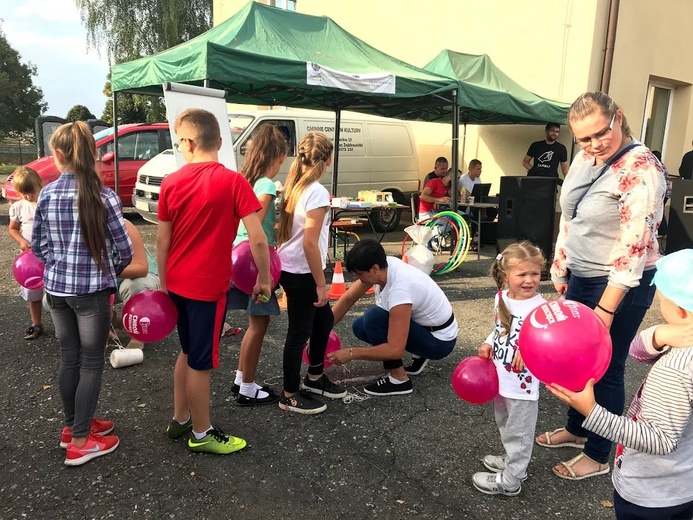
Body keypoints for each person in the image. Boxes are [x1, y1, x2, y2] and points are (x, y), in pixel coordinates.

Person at [537, 91, 667, 480]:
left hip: (619, 285)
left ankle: (598, 452)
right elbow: (571, 215)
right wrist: (562, 268)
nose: (593, 145)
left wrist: (606, 310)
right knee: (576, 363)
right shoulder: (585, 158)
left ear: (619, 119)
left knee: (606, 369)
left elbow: (634, 242)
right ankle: (578, 430)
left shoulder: (642, 167)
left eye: (600, 134)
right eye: (583, 139)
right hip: (583, 275)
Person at [158, 108, 272, 454]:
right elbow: (258, 239)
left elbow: (162, 240)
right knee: (201, 362)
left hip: (176, 283)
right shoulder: (233, 181)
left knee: (188, 350)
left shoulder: (170, 182)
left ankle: (180, 419)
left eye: (179, 142)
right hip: (207, 287)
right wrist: (264, 278)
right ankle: (202, 432)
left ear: (189, 143)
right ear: (220, 142)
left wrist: (163, 285)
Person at [547, 249, 693, 519]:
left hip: (652, 494)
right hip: (681, 486)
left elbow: (660, 439)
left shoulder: (676, 370)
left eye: (661, 299)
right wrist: (660, 334)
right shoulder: (680, 342)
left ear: (681, 311)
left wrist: (593, 413)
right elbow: (637, 351)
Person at [32, 121, 133, 466]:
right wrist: (107, 271)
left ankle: (73, 426)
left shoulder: (46, 193)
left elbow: (39, 247)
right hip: (90, 293)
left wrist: (58, 267)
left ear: (57, 155)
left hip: (56, 291)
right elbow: (124, 249)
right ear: (92, 154)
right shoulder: (104, 196)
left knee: (69, 358)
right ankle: (80, 441)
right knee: (91, 362)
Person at [328, 239, 458, 395]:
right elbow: (347, 299)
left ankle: (399, 379)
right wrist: (319, 333)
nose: (356, 278)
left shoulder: (400, 289)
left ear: (375, 269)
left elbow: (395, 351)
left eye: (359, 274)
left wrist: (350, 353)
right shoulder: (384, 266)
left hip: (439, 342)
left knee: (374, 318)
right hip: (427, 327)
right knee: (360, 327)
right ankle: (419, 354)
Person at [276, 131, 346, 415]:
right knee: (299, 332)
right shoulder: (315, 190)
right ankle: (290, 394)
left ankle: (314, 377)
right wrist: (321, 283)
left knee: (324, 318)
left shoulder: (296, 184)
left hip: (292, 266)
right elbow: (308, 241)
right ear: (328, 159)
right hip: (302, 270)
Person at [472, 242, 546, 497]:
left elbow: (550, 345)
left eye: (534, 274)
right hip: (501, 379)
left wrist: (529, 351)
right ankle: (513, 460)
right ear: (506, 275)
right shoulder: (501, 298)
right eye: (522, 274)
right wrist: (487, 342)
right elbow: (499, 329)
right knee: (505, 424)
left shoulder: (541, 308)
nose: (529, 281)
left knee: (520, 433)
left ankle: (511, 480)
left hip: (523, 386)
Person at [228, 124, 287, 406]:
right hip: (253, 262)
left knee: (254, 324)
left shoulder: (244, 179)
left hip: (237, 258)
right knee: (258, 325)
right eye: (281, 159)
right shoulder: (264, 184)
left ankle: (241, 378)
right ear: (276, 156)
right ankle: (248, 388)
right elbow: (253, 221)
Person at [8, 167, 44, 340]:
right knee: (33, 292)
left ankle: (64, 326)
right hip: (30, 260)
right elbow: (13, 229)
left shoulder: (47, 201)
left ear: (40, 184)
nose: (28, 197)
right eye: (23, 194)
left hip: (50, 255)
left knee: (55, 294)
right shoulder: (19, 207)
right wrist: (22, 241)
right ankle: (36, 323)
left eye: (31, 192)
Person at [114, 220, 160, 349]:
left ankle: (137, 334)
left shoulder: (123, 225)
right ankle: (108, 320)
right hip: (107, 281)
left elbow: (141, 269)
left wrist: (102, 271)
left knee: (136, 285)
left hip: (137, 276)